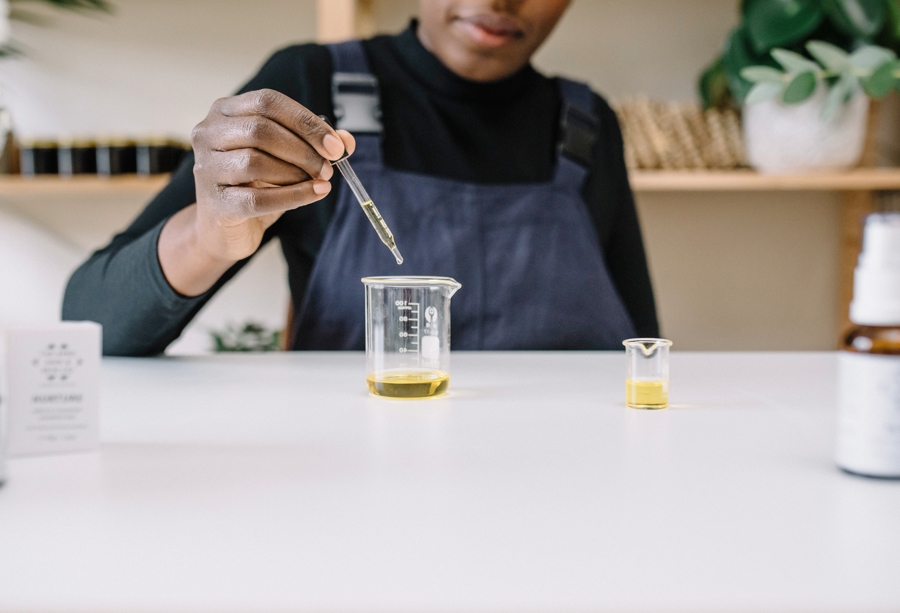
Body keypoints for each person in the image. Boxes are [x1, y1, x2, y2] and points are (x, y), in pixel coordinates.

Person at [63, 0, 659, 356]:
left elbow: (640, 345)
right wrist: (211, 236)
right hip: (356, 488)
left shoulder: (588, 125)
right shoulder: (310, 85)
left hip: (558, 489)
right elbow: (92, 327)